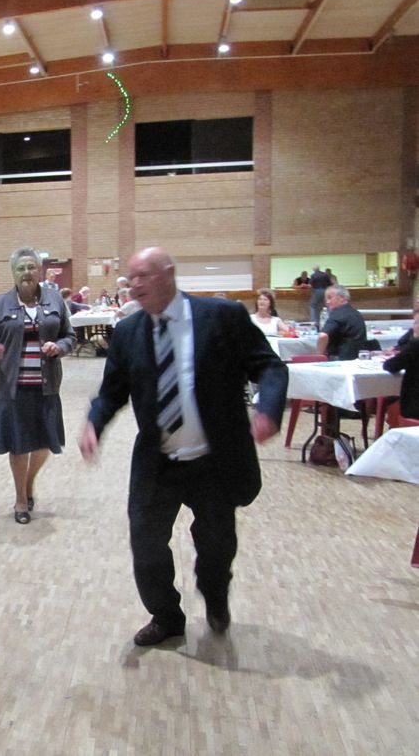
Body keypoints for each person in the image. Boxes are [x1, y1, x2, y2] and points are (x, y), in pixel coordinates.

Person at [80, 247, 287, 646]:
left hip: (213, 460)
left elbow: (269, 366)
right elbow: (111, 392)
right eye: (131, 277)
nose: (134, 284)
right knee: (146, 544)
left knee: (216, 546)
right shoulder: (127, 332)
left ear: (169, 274)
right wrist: (94, 422)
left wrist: (269, 409)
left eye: (143, 275)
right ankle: (166, 616)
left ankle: (214, 595)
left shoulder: (221, 318)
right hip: (158, 460)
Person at [0, 247, 76, 524]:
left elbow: (70, 336)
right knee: (19, 446)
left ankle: (29, 483)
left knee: (44, 444)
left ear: (39, 270)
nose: (26, 273)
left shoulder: (55, 301)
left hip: (46, 386)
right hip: (12, 388)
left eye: (31, 267)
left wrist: (60, 345)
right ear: (13, 272)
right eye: (20, 268)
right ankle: (21, 499)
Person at [383, 308, 419, 419]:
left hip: (415, 407)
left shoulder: (415, 345)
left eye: (416, 323)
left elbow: (391, 366)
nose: (414, 327)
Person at [316, 285, 366, 360]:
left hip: (339, 359)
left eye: (330, 298)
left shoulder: (337, 314)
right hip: (357, 358)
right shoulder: (356, 313)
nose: (327, 302)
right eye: (326, 299)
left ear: (342, 298)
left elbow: (323, 336)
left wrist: (318, 357)